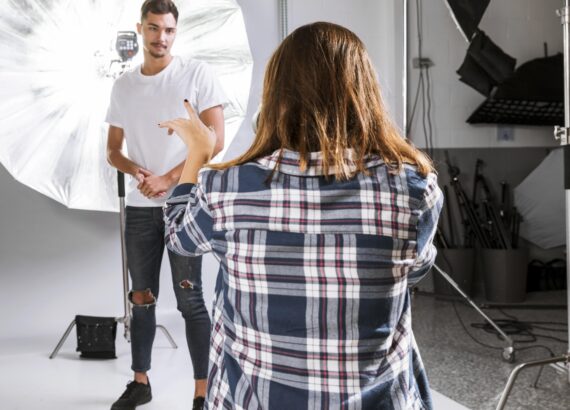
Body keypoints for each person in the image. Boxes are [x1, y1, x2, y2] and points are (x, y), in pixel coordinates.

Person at [161, 22, 442, 409]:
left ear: (275, 97)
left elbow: (179, 237)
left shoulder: (225, 188)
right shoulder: (414, 188)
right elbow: (415, 272)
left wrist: (198, 153)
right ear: (364, 93)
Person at [105, 1, 226, 409]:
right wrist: (138, 171)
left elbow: (214, 142)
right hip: (141, 208)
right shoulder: (123, 85)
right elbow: (112, 151)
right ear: (139, 29)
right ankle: (140, 382)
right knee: (141, 296)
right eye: (154, 29)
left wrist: (169, 178)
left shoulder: (196, 74)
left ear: (177, 31)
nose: (162, 37)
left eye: (169, 30)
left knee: (190, 299)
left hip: (186, 203)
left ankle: (201, 393)